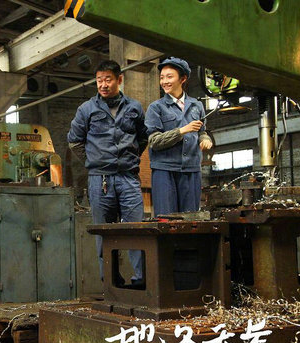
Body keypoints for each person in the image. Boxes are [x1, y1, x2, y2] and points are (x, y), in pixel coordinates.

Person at [67, 60, 147, 286]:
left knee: (136, 230)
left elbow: (143, 138)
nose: (103, 85)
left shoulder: (134, 108)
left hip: (128, 178)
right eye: (99, 80)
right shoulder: (86, 109)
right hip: (100, 180)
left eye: (108, 80)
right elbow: (74, 142)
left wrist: (129, 158)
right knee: (105, 233)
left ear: (119, 79)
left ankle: (141, 281)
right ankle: (112, 283)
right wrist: (94, 161)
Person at [145, 57, 213, 216]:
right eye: (162, 77)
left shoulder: (197, 106)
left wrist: (205, 139)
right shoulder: (156, 108)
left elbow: (202, 131)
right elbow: (154, 141)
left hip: (191, 170)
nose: (164, 81)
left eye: (169, 77)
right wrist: (181, 131)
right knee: (166, 218)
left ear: (183, 79)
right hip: (165, 170)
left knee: (190, 218)